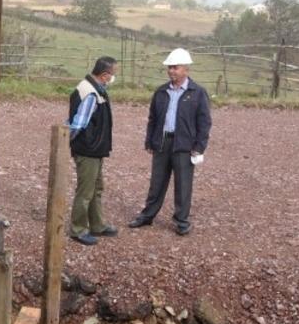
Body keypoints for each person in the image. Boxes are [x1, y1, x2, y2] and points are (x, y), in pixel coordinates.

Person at [128, 47, 212, 236]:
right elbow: (153, 118)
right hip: (162, 142)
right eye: (170, 68)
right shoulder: (161, 92)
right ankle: (147, 216)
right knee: (156, 182)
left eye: (175, 67)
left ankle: (181, 220)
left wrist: (199, 147)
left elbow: (204, 122)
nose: (171, 71)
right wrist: (149, 141)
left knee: (183, 184)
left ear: (186, 69)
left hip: (184, 145)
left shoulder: (197, 92)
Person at [67, 56, 118, 246]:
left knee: (97, 188)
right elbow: (78, 124)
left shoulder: (94, 89)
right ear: (104, 75)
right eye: (113, 74)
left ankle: (97, 224)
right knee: (86, 191)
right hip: (88, 150)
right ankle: (78, 229)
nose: (114, 77)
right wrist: (70, 143)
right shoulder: (90, 93)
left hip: (95, 149)